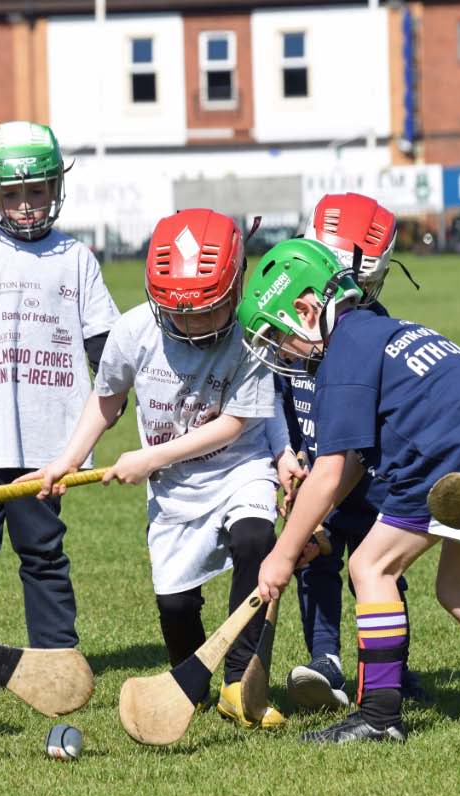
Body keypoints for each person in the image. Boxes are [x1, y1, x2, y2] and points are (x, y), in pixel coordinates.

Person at [238, 237, 460, 744]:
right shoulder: (377, 330)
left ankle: (378, 716)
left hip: (447, 457)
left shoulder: (342, 354)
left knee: (369, 566)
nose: (282, 352)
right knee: (457, 589)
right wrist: (317, 526)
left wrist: (281, 556)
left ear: (307, 310)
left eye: (279, 336)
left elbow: (329, 471)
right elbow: (351, 462)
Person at [30, 208, 286, 729]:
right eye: (179, 314)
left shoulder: (250, 338)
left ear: (235, 289)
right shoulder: (133, 332)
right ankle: (189, 683)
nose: (191, 326)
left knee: (255, 540)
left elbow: (234, 424)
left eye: (207, 312)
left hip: (239, 468)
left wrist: (150, 456)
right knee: (174, 604)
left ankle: (240, 681)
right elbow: (106, 400)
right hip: (174, 489)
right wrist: (67, 460)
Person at [0, 121, 120, 698]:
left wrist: (101, 416)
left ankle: (55, 653)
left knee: (42, 550)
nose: (27, 206)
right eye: (11, 195)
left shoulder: (76, 259)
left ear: (56, 188)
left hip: (51, 444)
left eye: (37, 192)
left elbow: (104, 350)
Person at [275, 192, 425, 712]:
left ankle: (390, 666)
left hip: (368, 472)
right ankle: (325, 661)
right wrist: (286, 454)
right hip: (315, 461)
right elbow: (278, 396)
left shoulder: (369, 330)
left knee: (379, 565)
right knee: (315, 562)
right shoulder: (289, 321)